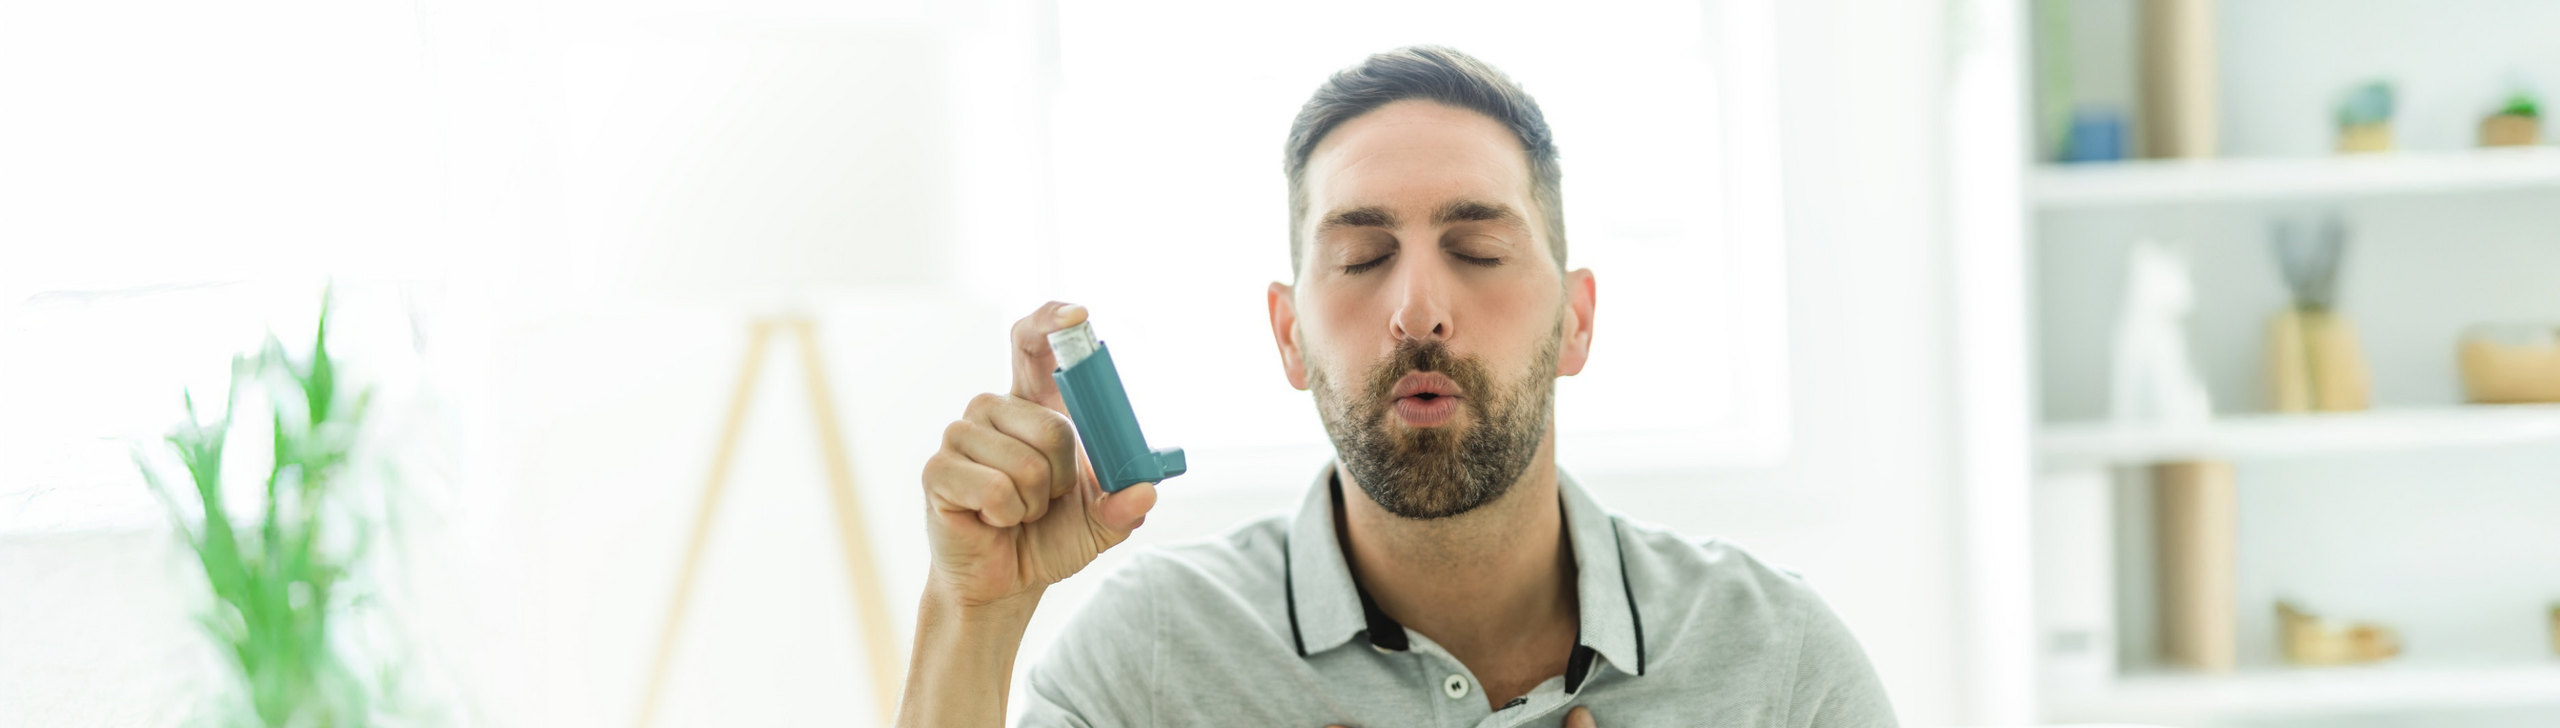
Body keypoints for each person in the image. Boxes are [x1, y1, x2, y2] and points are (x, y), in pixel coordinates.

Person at [897, 46, 1896, 728]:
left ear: (1576, 321)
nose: (1418, 309)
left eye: (1477, 250)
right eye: (1362, 258)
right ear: (1289, 336)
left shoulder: (1779, 665)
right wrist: (973, 612)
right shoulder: (1150, 659)